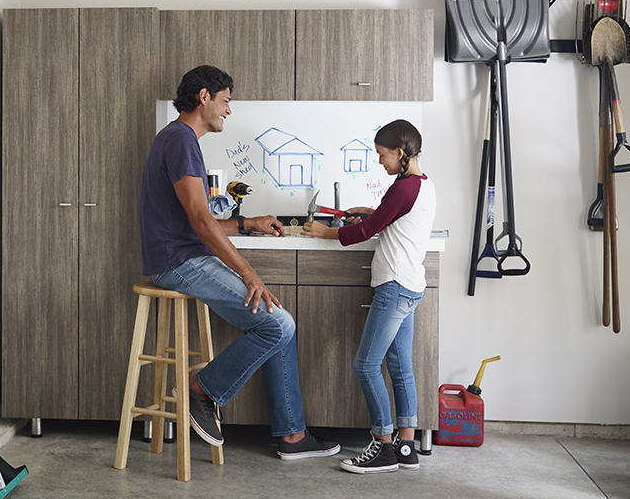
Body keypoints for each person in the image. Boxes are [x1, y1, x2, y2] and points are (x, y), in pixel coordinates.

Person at [140, 64, 341, 460]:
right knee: (278, 323)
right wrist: (250, 274)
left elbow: (198, 218)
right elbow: (199, 221)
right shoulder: (181, 140)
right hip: (179, 262)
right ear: (204, 97)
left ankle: (292, 436)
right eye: (226, 100)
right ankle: (202, 389)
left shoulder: (178, 139)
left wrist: (248, 222)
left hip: (180, 255)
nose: (229, 110)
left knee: (277, 319)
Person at [302, 119, 436, 474]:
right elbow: (387, 218)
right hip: (410, 286)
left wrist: (322, 232)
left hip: (393, 287)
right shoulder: (421, 185)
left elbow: (364, 232)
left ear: (399, 152)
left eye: (381, 155)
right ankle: (406, 445)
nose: (380, 162)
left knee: (365, 365)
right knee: (400, 367)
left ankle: (383, 444)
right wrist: (372, 211)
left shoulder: (403, 188)